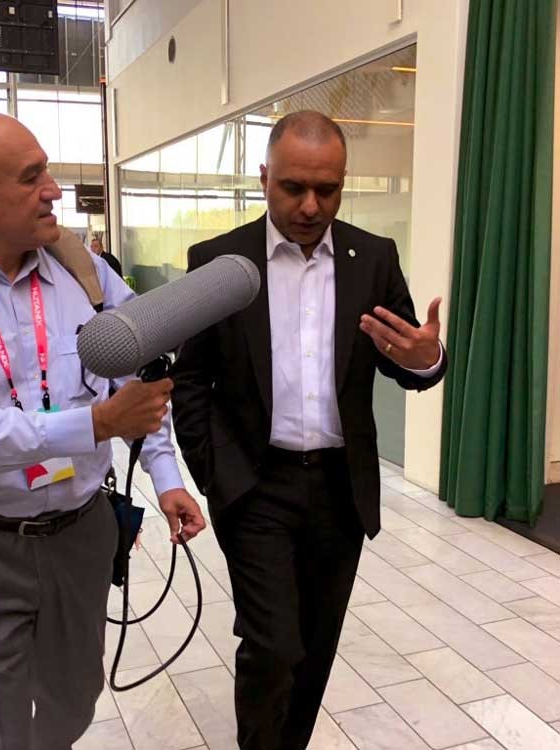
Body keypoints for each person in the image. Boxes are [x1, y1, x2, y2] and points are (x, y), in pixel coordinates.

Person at [0, 110, 205, 750]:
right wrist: (93, 425)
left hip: (82, 536)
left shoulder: (85, 273)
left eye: (47, 170)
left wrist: (166, 478)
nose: (54, 190)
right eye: (31, 177)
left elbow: (134, 382)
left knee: (73, 701)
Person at [171, 110, 447, 750]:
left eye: (328, 189)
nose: (310, 205)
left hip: (339, 490)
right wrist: (216, 474)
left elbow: (407, 358)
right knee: (273, 644)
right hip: (255, 487)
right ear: (263, 178)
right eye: (293, 187)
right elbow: (191, 379)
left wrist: (426, 357)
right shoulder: (219, 262)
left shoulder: (372, 259)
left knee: (316, 646)